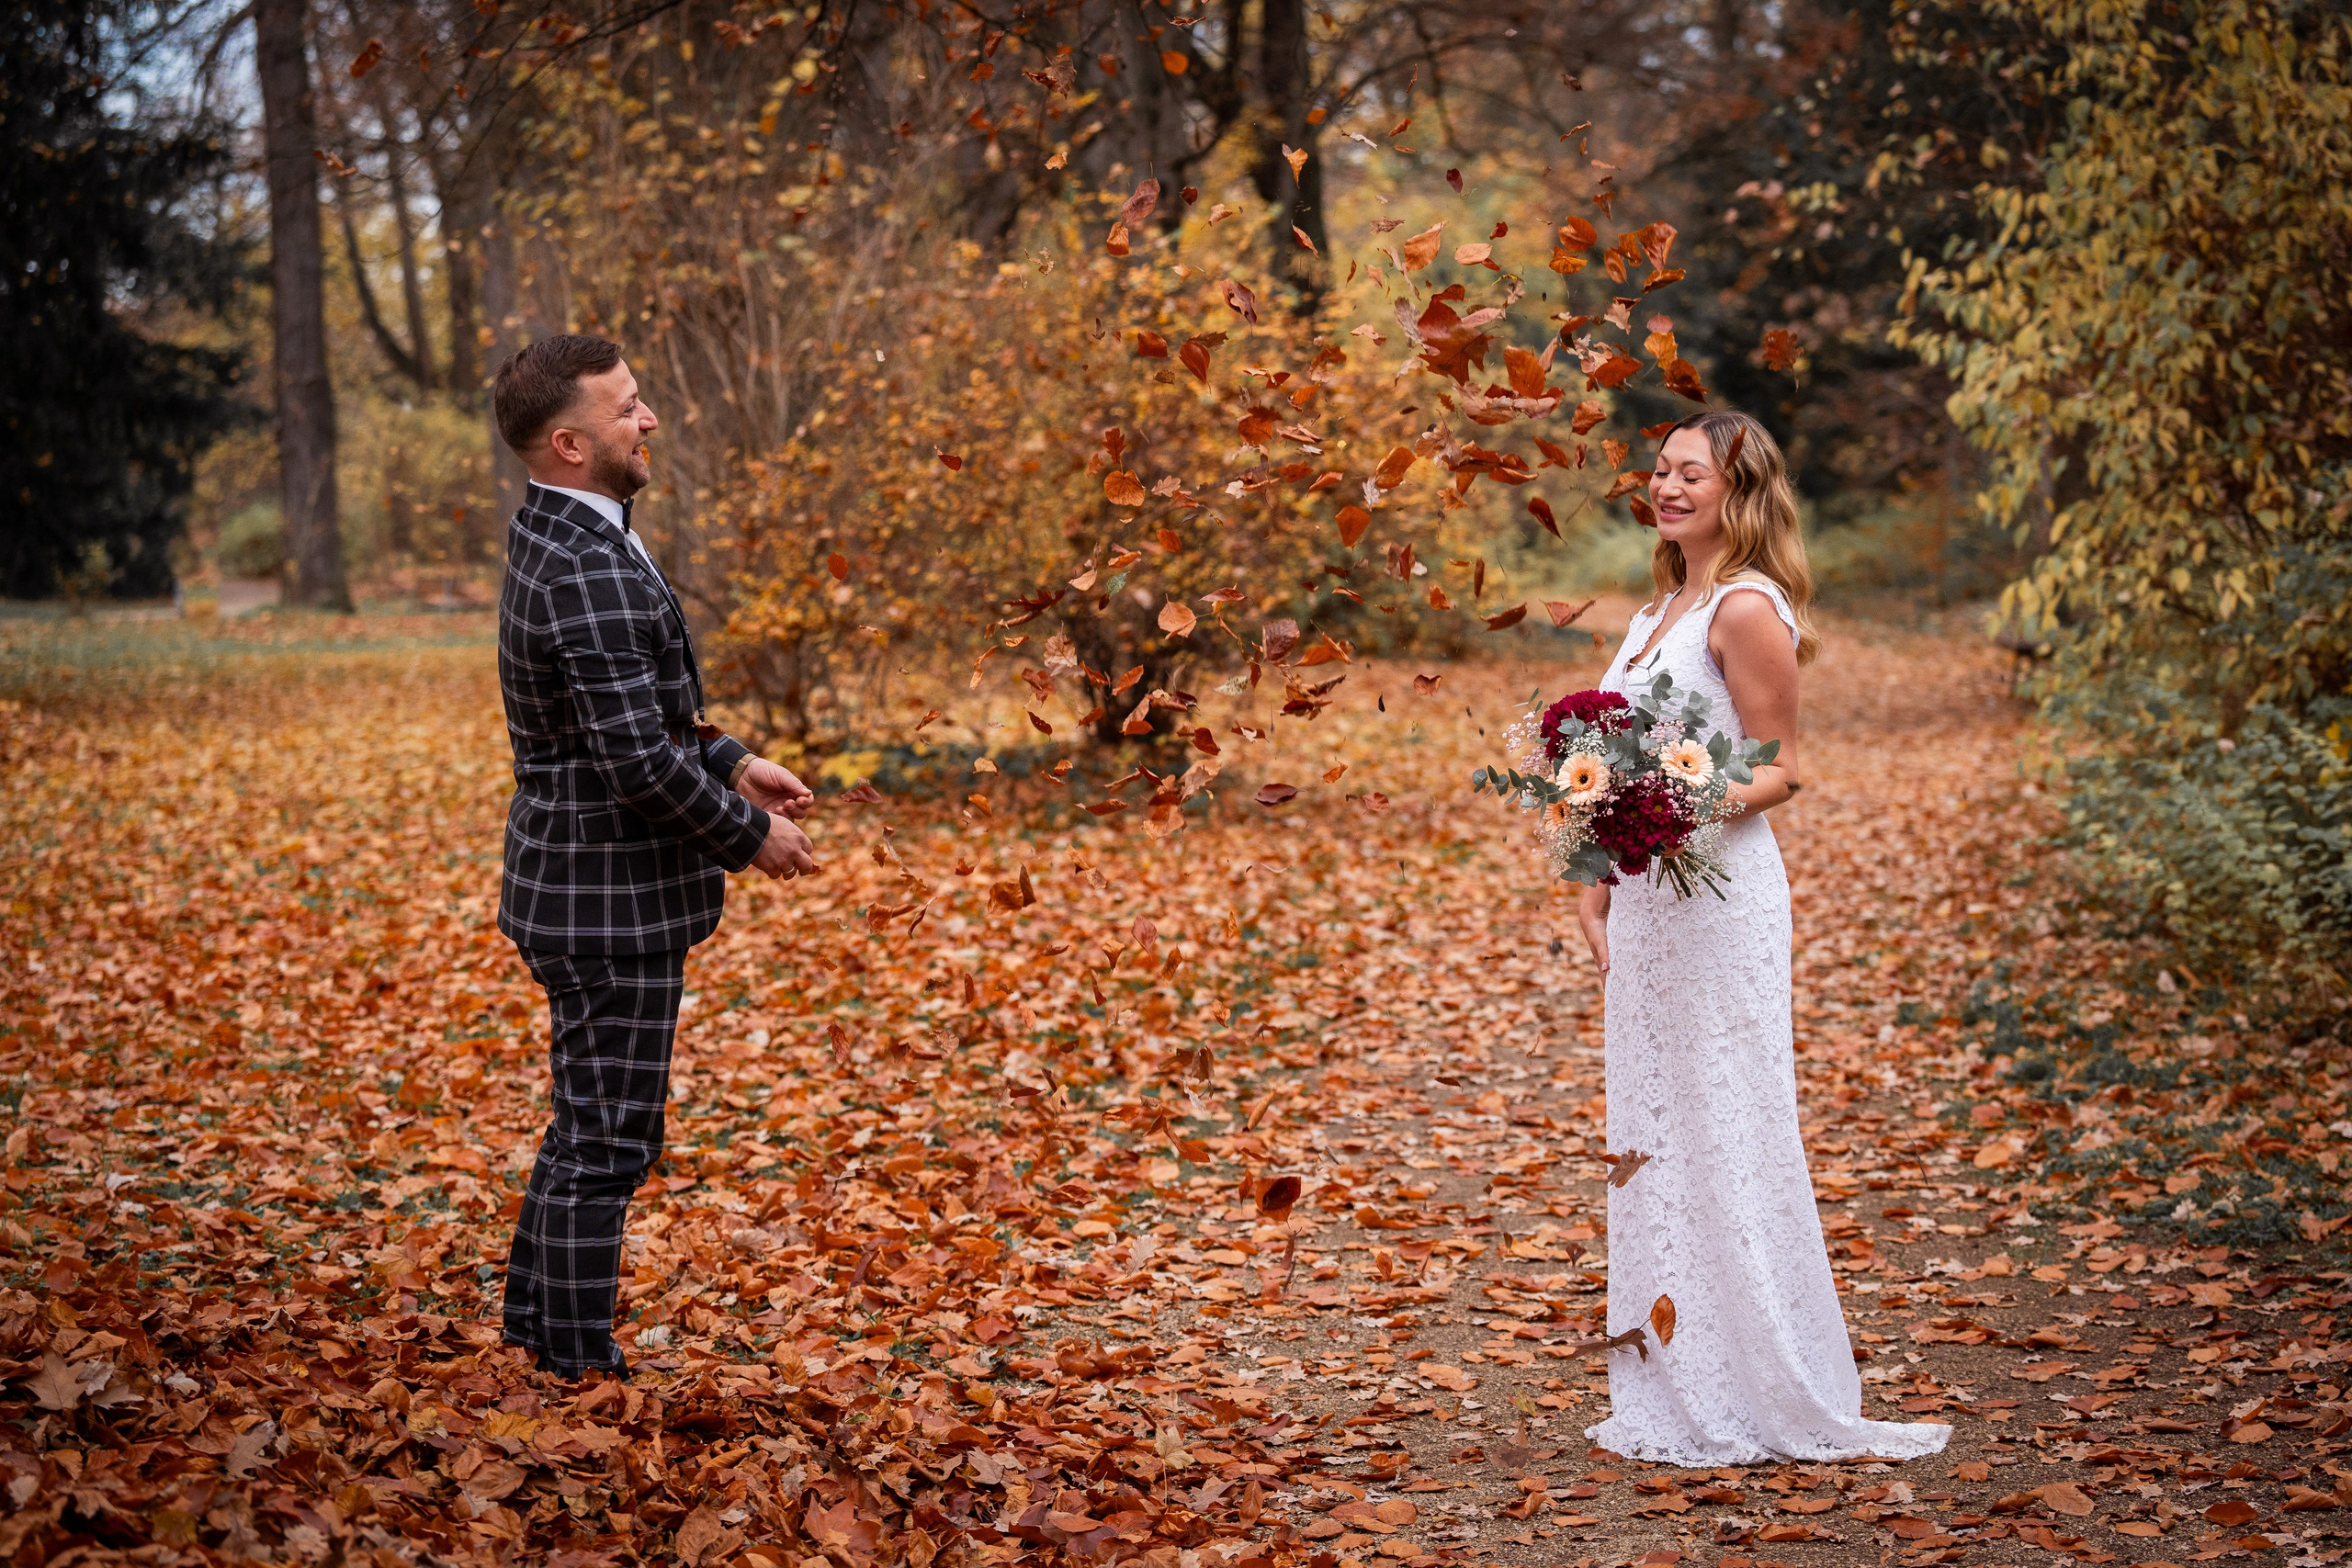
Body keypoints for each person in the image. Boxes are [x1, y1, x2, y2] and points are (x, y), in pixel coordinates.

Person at [1575, 410, 1949, 1464]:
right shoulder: (1657, 609)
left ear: (1740, 493)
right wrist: (1594, 867)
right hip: (1649, 899)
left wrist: (1672, 812)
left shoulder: (1743, 609)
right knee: (1655, 1132)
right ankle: (1675, 1379)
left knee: (1726, 1121)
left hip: (1720, 898)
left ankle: (1764, 1383)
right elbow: (1606, 762)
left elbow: (1780, 766)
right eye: (1660, 471)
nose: (1668, 486)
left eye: (1692, 473)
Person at [489, 333, 817, 1381]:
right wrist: (749, 836)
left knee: (586, 1126)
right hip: (603, 901)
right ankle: (577, 1369)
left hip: (583, 885)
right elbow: (630, 759)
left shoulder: (570, 531)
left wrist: (735, 759)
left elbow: (637, 717)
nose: (653, 419)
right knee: (607, 1143)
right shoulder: (586, 561)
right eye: (631, 407)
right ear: (571, 443)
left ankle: (540, 1333)